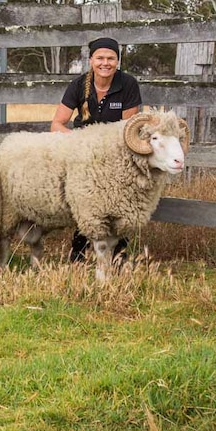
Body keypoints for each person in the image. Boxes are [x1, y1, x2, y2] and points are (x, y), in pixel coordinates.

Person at [50, 37, 142, 262]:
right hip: (82, 152)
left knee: (120, 202)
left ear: (117, 61)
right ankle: (79, 253)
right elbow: (57, 125)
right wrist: (82, 143)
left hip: (116, 154)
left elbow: (129, 129)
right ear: (91, 60)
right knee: (86, 199)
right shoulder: (79, 85)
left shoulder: (128, 84)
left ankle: (119, 255)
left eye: (111, 58)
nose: (105, 63)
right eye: (100, 58)